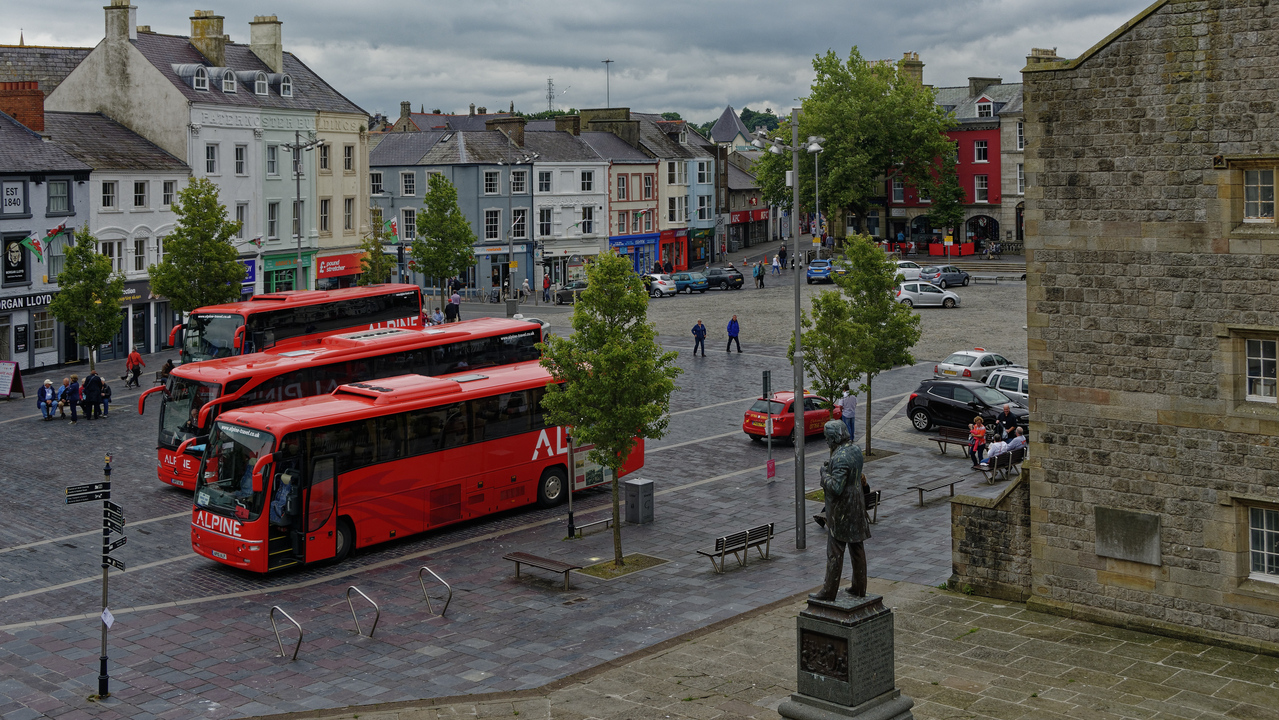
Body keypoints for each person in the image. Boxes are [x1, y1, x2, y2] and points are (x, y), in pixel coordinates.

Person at [813, 420, 869, 600]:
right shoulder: (855, 450)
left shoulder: (839, 457)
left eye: (827, 438)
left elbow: (836, 487)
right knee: (857, 548)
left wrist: (824, 474)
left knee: (835, 551)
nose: (826, 441)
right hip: (857, 505)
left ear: (835, 437)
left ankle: (828, 592)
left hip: (842, 510)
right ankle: (859, 588)